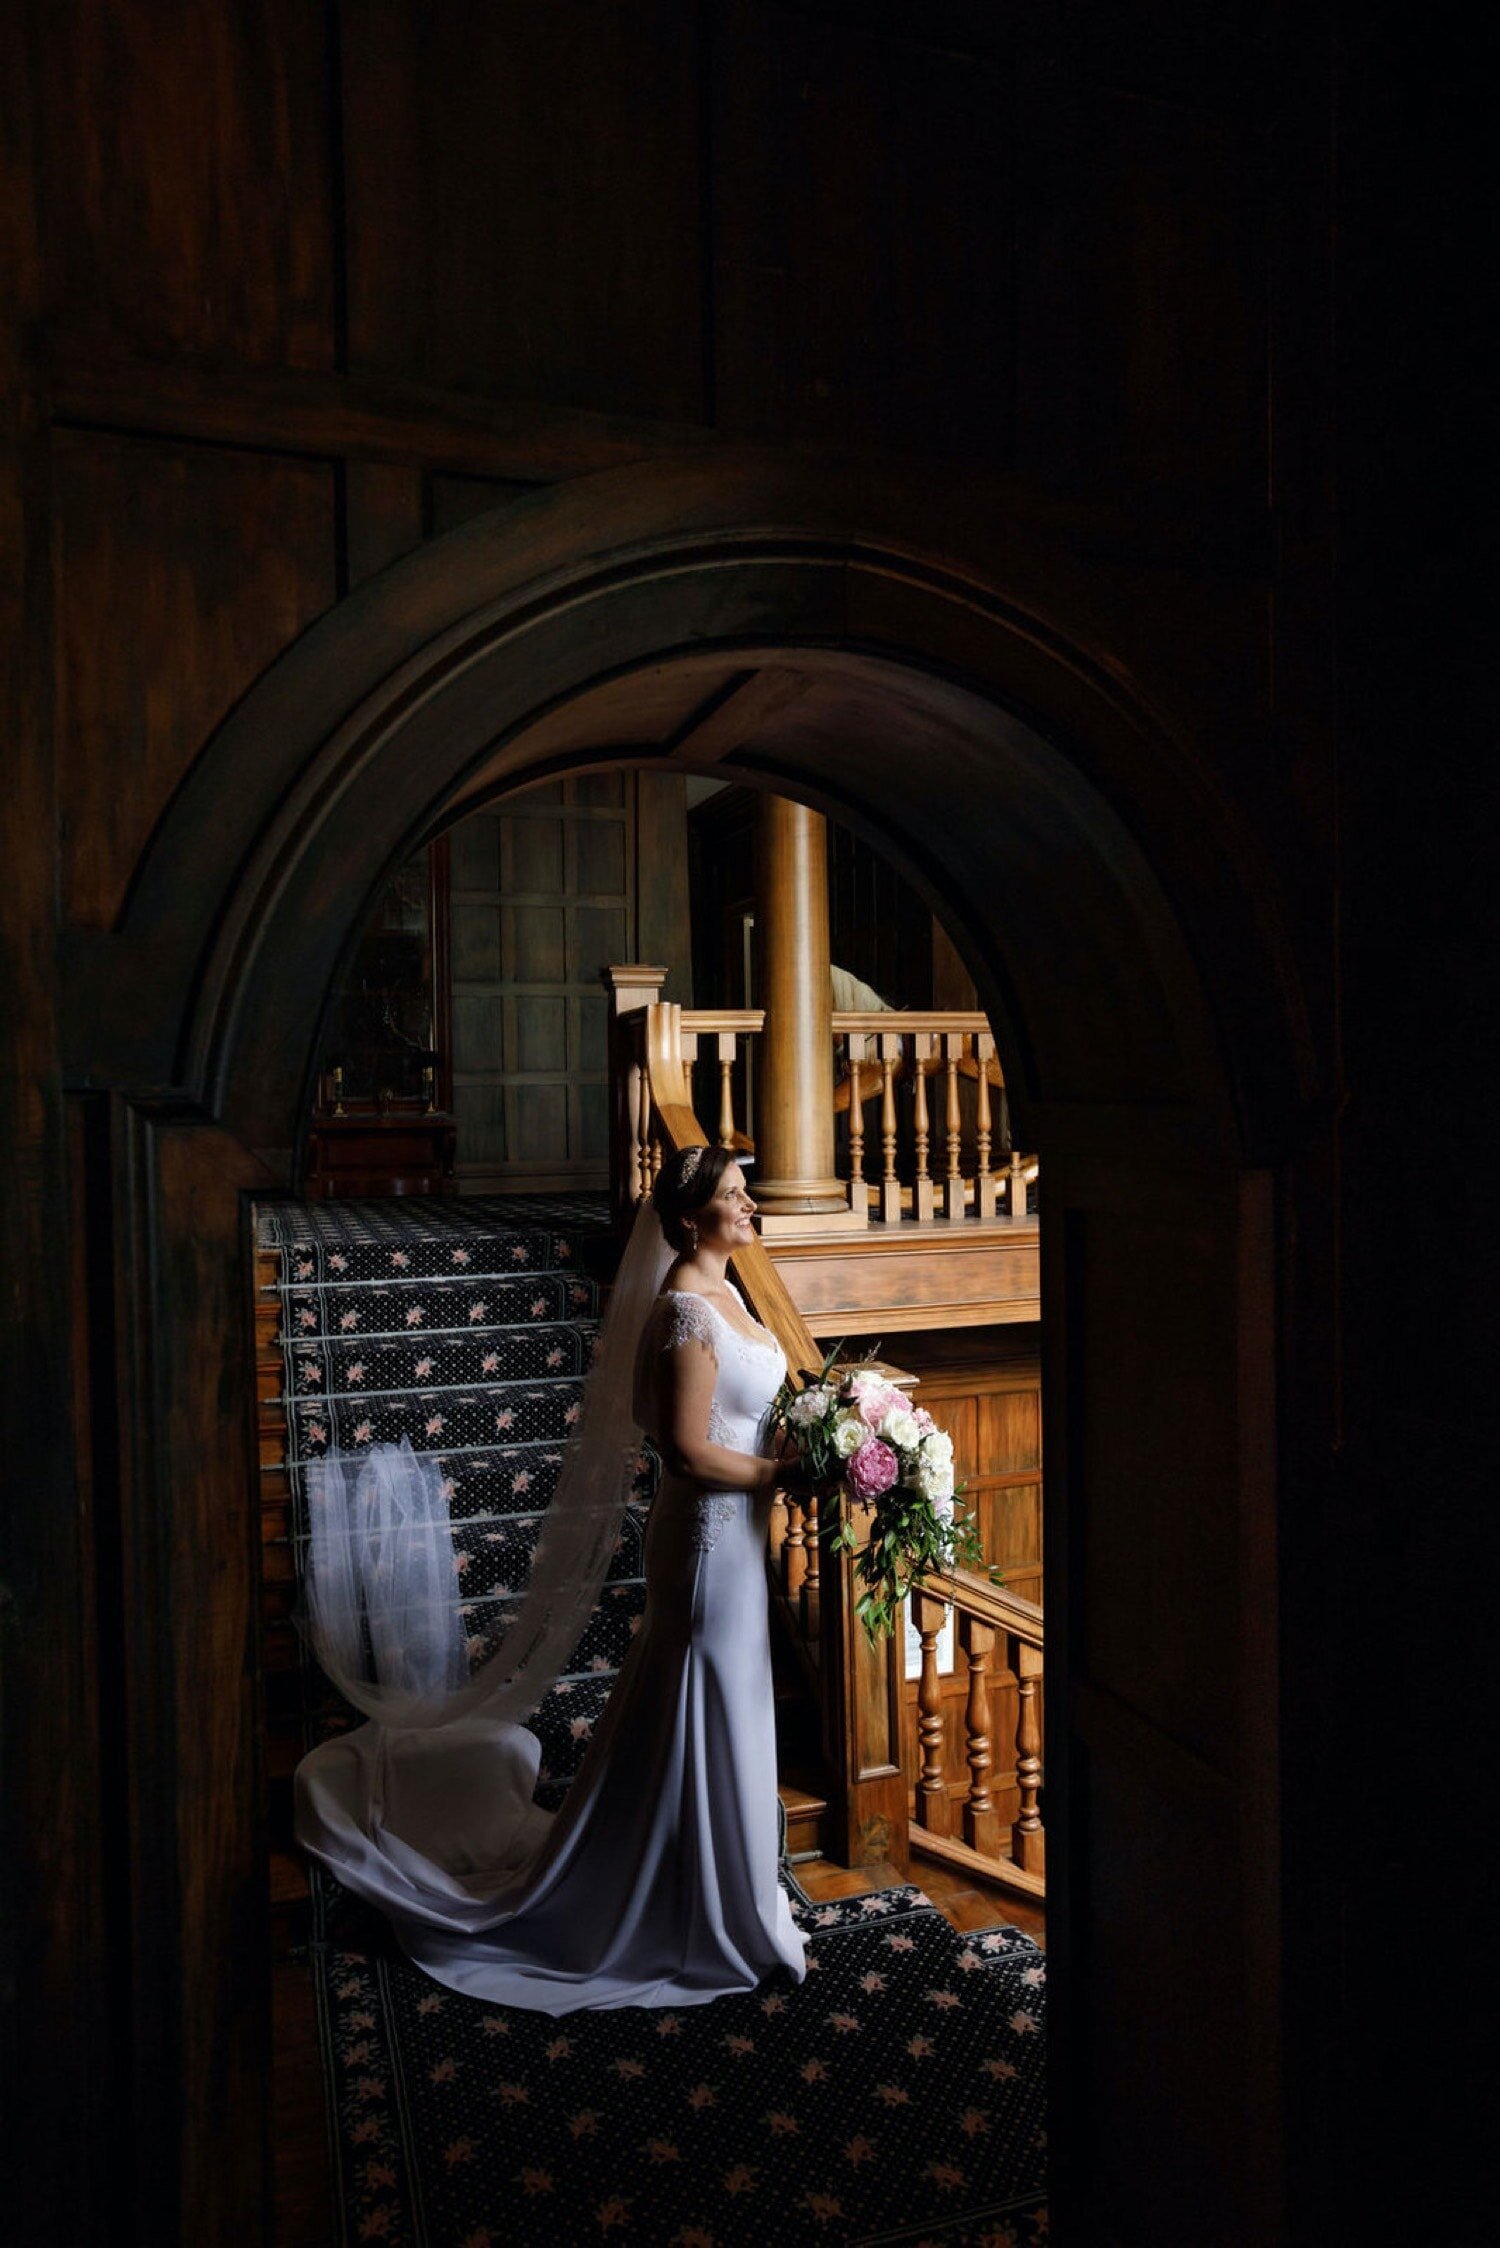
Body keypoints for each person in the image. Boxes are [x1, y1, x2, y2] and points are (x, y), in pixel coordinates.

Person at [293, 1143, 809, 2013]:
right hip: (708, 1544)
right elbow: (684, 1451)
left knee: (727, 1698)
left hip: (739, 1536)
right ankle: (694, 1910)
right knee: (708, 1693)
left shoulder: (731, 1291)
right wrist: (785, 1477)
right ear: (690, 1219)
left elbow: (739, 1414)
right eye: (734, 1195)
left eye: (747, 1191)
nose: (752, 1204)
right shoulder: (686, 1306)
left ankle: (722, 1890)